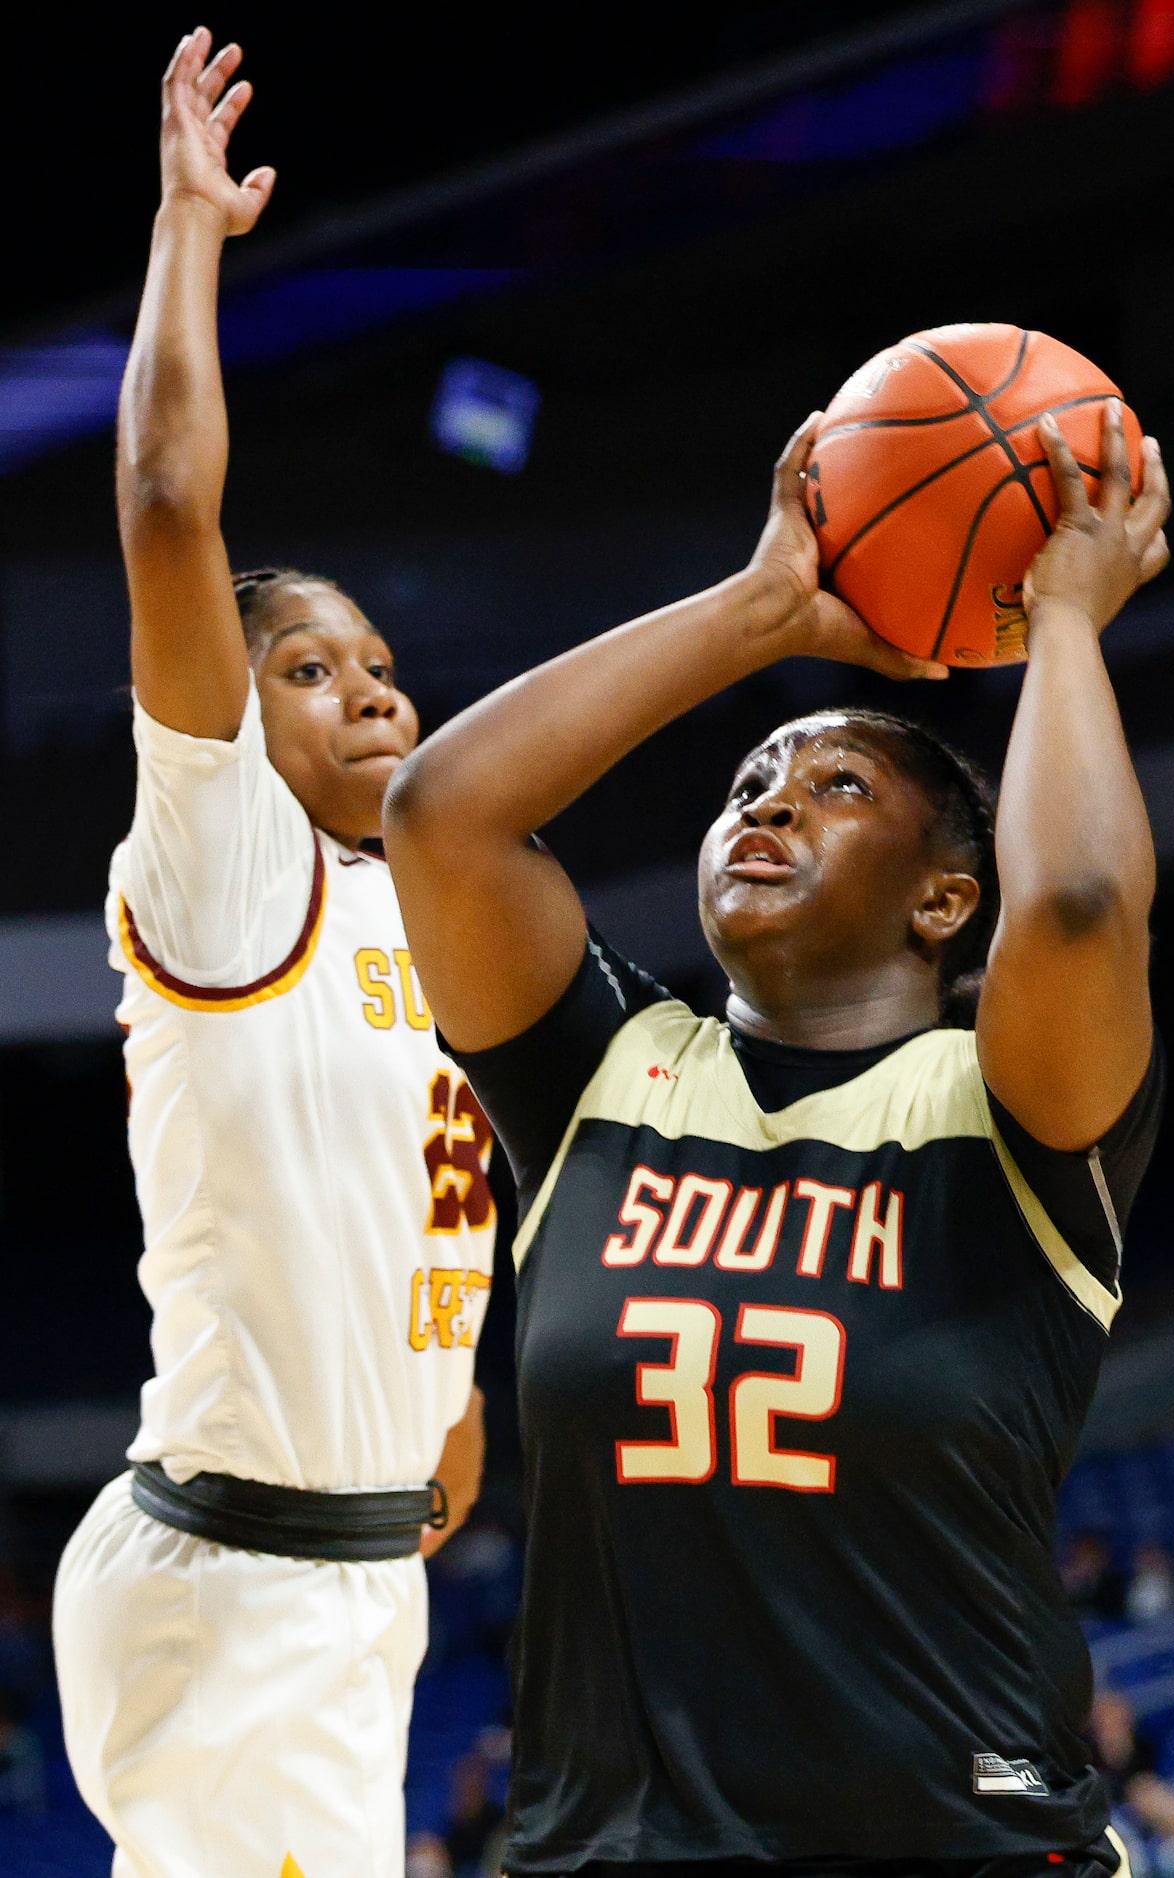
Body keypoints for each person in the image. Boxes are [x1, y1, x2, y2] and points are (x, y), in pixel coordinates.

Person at [384, 394, 1171, 1876]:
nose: (766, 804)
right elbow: (439, 814)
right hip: (610, 1851)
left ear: (944, 899)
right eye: (750, 784)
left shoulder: (1003, 1110)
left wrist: (1061, 620)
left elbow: (1072, 903)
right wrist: (756, 614)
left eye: (835, 787)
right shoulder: (606, 1075)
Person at [52, 31, 494, 1878]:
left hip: (338, 1577)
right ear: (236, 715)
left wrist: (443, 1427)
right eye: (305, 666)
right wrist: (185, 235)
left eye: (376, 657)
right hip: (239, 1578)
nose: (367, 682)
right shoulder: (233, 872)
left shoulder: (439, 906)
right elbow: (169, 508)